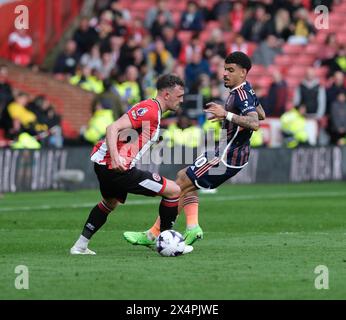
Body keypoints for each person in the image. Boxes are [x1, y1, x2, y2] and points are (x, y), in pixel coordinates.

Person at [124, 51, 266, 246]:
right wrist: (246, 105)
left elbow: (256, 123)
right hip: (225, 152)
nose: (225, 73)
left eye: (231, 70)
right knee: (186, 179)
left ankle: (154, 234)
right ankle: (192, 228)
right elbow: (262, 114)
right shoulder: (244, 90)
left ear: (243, 72)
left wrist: (226, 114)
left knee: (179, 184)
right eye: (225, 69)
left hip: (225, 158)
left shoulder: (241, 95)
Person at [70, 74, 193, 255]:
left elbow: (131, 133)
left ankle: (80, 246)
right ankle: (168, 242)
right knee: (174, 190)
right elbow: (112, 128)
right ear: (166, 95)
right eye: (179, 96)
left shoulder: (153, 111)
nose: (181, 101)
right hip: (117, 168)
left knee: (109, 203)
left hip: (106, 165)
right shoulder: (150, 109)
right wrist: (117, 157)